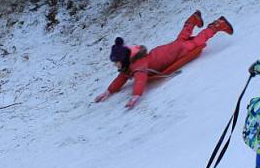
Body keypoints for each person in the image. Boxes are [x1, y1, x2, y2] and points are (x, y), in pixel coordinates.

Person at [94, 11, 233, 108]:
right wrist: (108, 91)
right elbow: (121, 78)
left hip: (172, 53)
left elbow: (140, 79)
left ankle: (218, 25)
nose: (115, 65)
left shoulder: (139, 64)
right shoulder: (130, 63)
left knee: (196, 42)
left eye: (116, 62)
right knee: (181, 40)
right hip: (166, 51)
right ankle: (193, 19)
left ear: (123, 59)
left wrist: (135, 96)